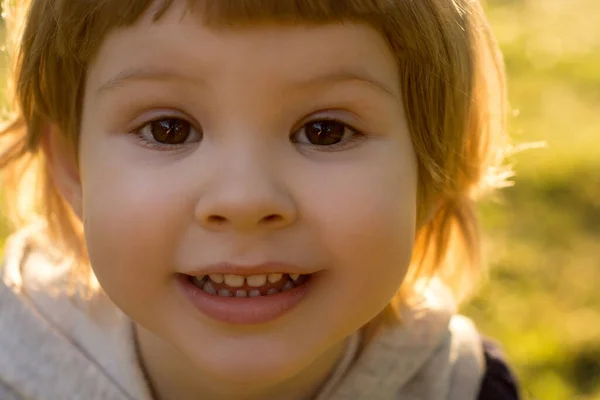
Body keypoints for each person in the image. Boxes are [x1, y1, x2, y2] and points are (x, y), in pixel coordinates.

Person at [0, 0, 521, 399]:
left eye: (324, 131)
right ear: (72, 165)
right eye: (168, 129)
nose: (245, 198)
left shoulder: (463, 386)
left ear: (430, 165)